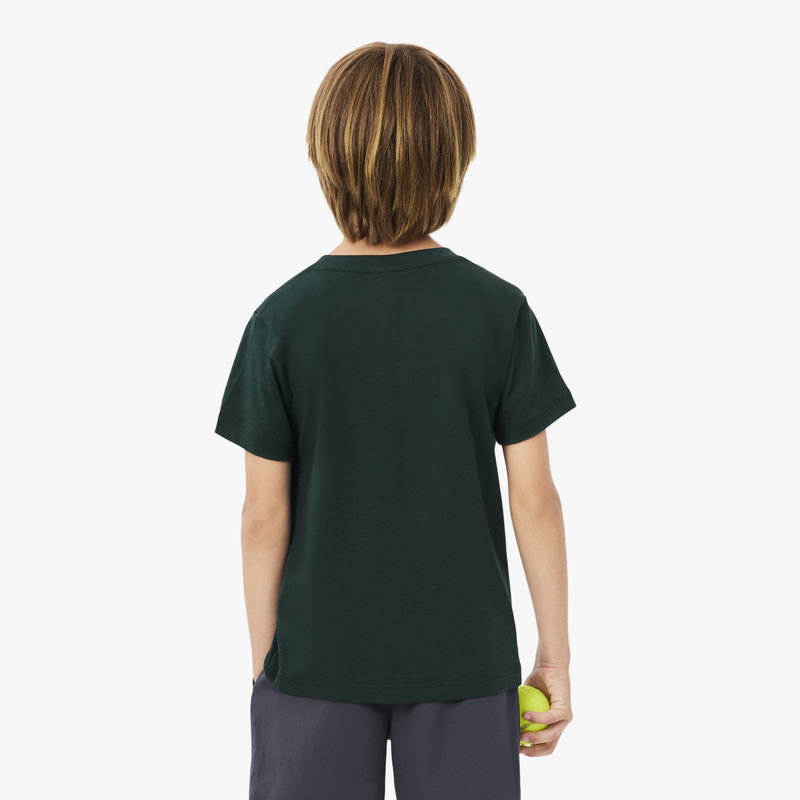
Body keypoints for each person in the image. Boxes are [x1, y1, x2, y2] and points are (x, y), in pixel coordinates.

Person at [214, 41, 576, 800]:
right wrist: (554, 656)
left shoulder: (281, 320)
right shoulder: (498, 311)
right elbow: (535, 499)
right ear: (454, 159)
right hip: (464, 658)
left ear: (326, 157)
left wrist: (268, 669)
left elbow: (261, 518)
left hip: (316, 662)